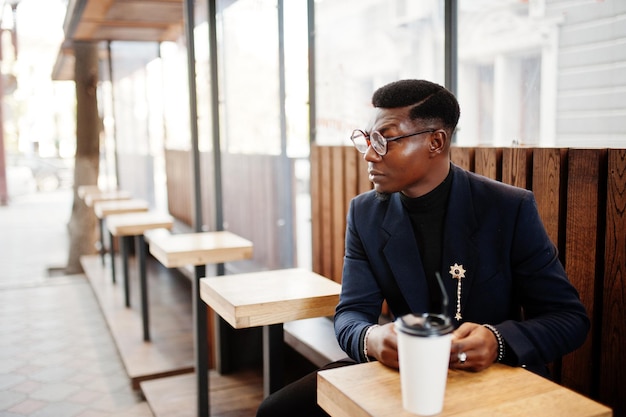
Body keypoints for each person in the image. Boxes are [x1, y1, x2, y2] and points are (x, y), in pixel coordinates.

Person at [256, 79, 590, 417]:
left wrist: (497, 340)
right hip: (404, 372)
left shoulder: (507, 207)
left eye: (385, 140)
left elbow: (569, 318)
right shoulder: (366, 213)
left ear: (435, 141)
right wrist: (372, 338)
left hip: (493, 375)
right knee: (277, 411)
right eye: (369, 140)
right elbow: (351, 313)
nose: (371, 154)